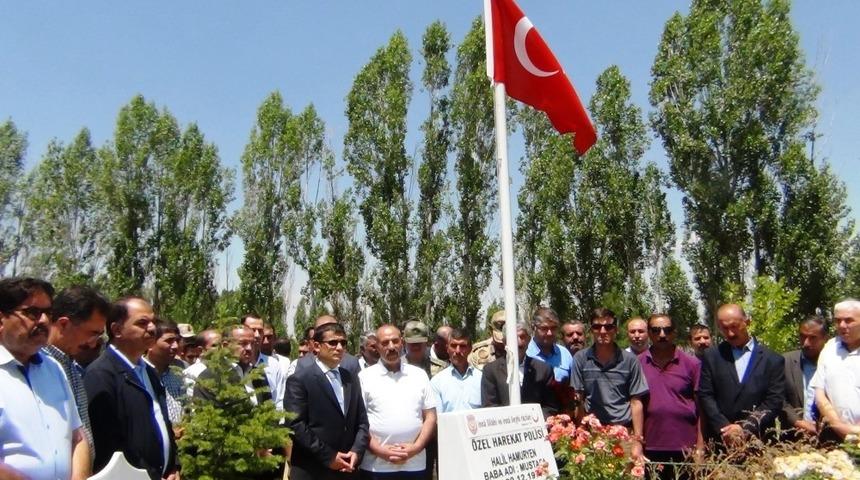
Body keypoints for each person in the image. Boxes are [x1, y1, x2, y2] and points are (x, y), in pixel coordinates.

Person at [0, 277, 90, 480]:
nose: (43, 321)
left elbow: (78, 437)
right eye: (32, 312)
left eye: (47, 313)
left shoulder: (54, 368)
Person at [85, 296, 178, 480]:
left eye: (153, 322)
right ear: (117, 330)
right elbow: (109, 443)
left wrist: (173, 466)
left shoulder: (149, 372)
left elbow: (162, 424)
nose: (152, 329)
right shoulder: (101, 375)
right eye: (142, 323)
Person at [285, 322, 369, 479]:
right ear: (316, 346)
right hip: (313, 469)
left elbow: (362, 421)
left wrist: (356, 451)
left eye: (343, 343)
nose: (339, 347)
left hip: (347, 469)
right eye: (333, 343)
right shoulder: (299, 380)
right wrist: (329, 457)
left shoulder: (350, 377)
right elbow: (296, 425)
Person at [697, 303, 785, 448]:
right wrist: (725, 428)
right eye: (725, 328)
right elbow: (706, 395)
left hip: (759, 441)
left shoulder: (772, 360)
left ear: (747, 322)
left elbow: (774, 400)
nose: (730, 333)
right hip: (721, 442)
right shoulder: (712, 356)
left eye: (734, 326)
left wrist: (745, 428)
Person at [358, 324, 436, 479]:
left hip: (415, 465)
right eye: (385, 343)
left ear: (402, 342)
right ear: (377, 347)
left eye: (395, 341)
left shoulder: (419, 375)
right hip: (376, 467)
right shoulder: (364, 378)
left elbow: (430, 417)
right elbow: (359, 422)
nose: (391, 347)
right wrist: (381, 451)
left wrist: (416, 448)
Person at [571, 307, 648, 460]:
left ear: (616, 330)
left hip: (623, 433)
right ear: (591, 330)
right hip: (593, 434)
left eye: (608, 326)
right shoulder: (580, 359)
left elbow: (636, 402)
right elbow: (577, 398)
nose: (603, 331)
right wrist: (581, 433)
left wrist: (638, 441)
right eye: (597, 327)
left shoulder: (630, 361)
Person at [43, 285, 110, 458]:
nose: (94, 344)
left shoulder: (70, 365)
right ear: (64, 324)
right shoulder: (38, 368)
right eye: (92, 333)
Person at [638, 314, 703, 479]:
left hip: (685, 447)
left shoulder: (692, 364)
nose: (662, 334)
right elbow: (634, 404)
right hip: (650, 447)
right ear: (649, 333)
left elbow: (702, 409)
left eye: (667, 330)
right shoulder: (637, 363)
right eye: (656, 330)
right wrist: (636, 442)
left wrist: (701, 447)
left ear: (674, 333)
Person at [481, 321, 559, 418]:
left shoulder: (544, 370)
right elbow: (489, 408)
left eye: (522, 337)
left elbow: (551, 407)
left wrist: (529, 421)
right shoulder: (491, 371)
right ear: (505, 341)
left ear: (529, 339)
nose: (518, 342)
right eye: (513, 338)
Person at [811, 299, 860, 441]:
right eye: (838, 321)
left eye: (849, 320)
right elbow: (820, 395)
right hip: (834, 437)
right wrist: (839, 426)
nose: (842, 325)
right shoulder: (830, 348)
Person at [783, 315, 828, 437]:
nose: (806, 343)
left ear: (825, 338)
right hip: (793, 437)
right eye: (803, 336)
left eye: (813, 338)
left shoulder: (835, 364)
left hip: (829, 436)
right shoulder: (785, 361)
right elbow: (777, 397)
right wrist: (797, 422)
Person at [145, 319, 186, 426]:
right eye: (169, 341)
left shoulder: (180, 371)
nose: (175, 346)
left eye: (177, 340)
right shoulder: (140, 374)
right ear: (150, 343)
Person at [429, 328, 481, 413]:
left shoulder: (482, 379)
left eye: (462, 346)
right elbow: (438, 419)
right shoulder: (437, 382)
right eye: (453, 346)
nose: (457, 351)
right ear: (447, 348)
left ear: (470, 349)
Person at [294, 315, 360, 377]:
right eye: (332, 342)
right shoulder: (304, 364)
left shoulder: (352, 363)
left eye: (343, 343)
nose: (339, 347)